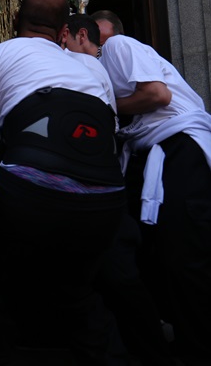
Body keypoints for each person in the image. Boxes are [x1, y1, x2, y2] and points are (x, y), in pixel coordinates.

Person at [0, 0, 126, 366]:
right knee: (78, 292)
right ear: (64, 34)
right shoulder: (90, 65)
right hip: (106, 194)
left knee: (5, 289)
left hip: (34, 192)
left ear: (13, 21)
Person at [63, 15, 173, 365]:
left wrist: (105, 106)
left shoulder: (111, 52)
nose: (103, 50)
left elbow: (157, 94)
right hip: (125, 169)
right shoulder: (92, 68)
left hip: (149, 162)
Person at [99, 28, 211, 366]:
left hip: (181, 149)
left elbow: (157, 96)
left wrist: (101, 106)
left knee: (188, 255)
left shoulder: (117, 45)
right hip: (160, 153)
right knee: (170, 255)